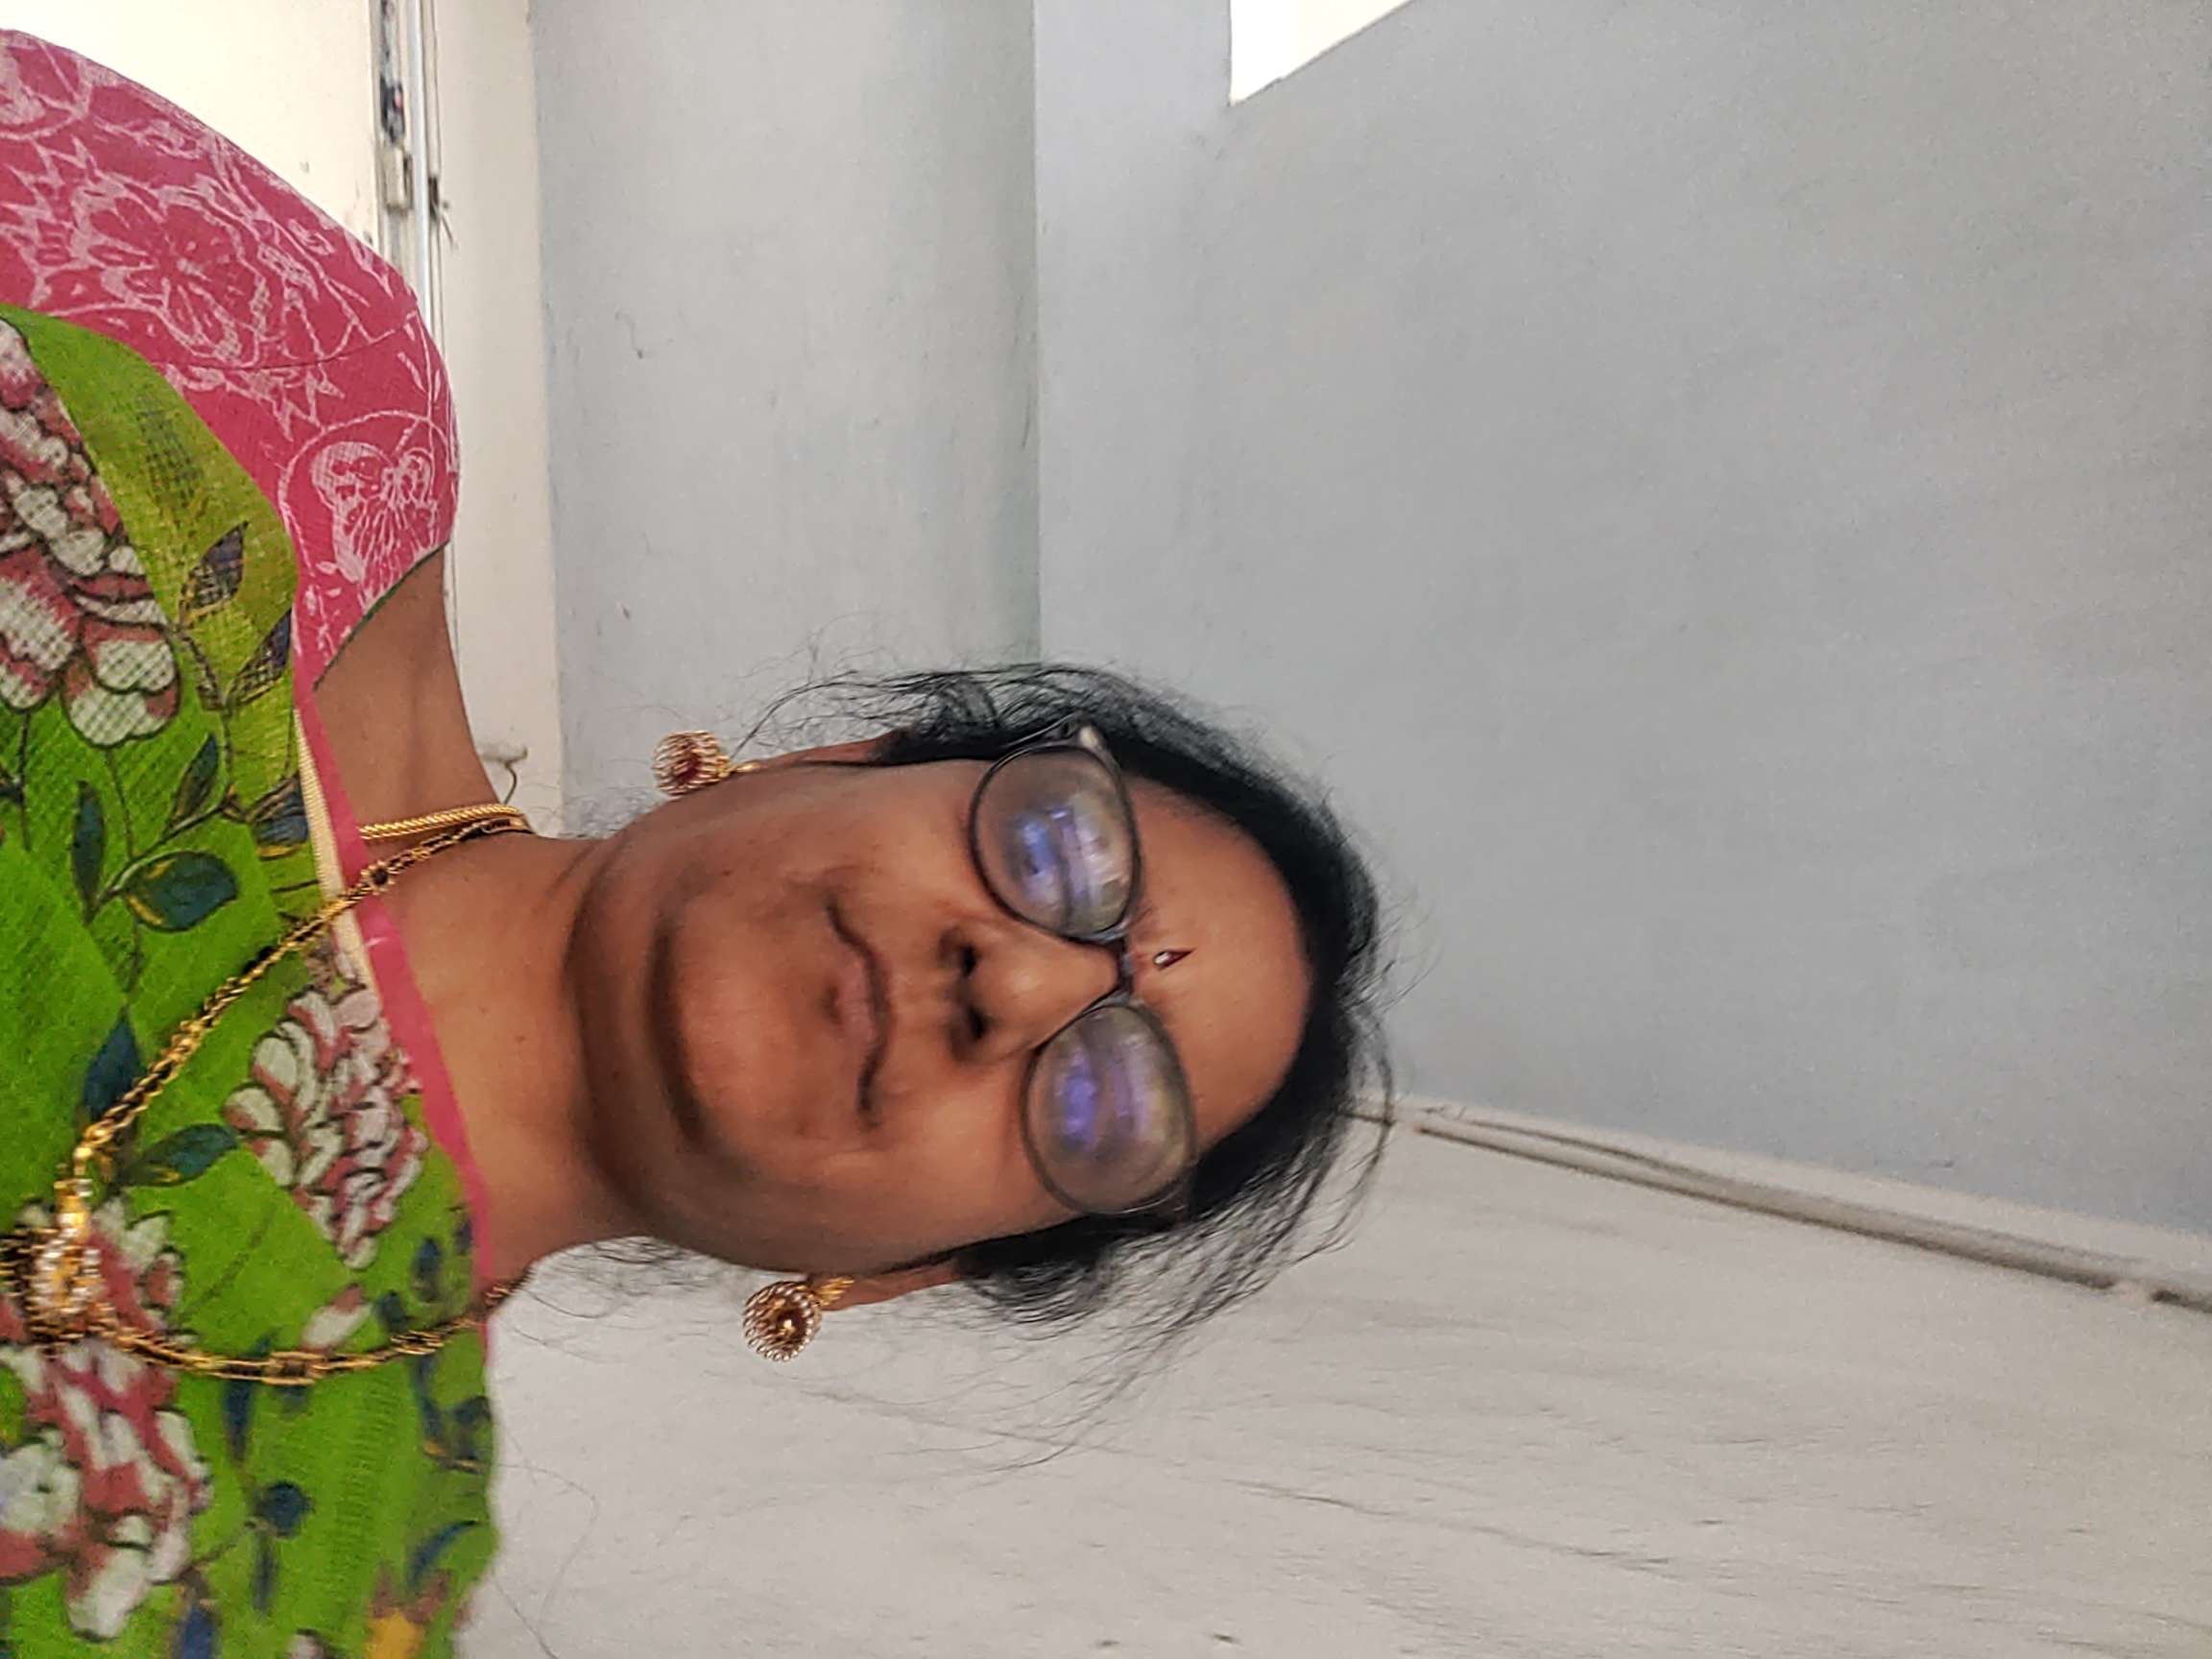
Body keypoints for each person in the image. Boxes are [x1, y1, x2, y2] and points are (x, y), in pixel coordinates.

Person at [0, 31, 1388, 1658]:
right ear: (826, 761)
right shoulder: (274, 351)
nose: (1016, 984)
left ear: (911, 1271)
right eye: (1059, 851)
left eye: (1101, 1108)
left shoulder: (331, 1569)